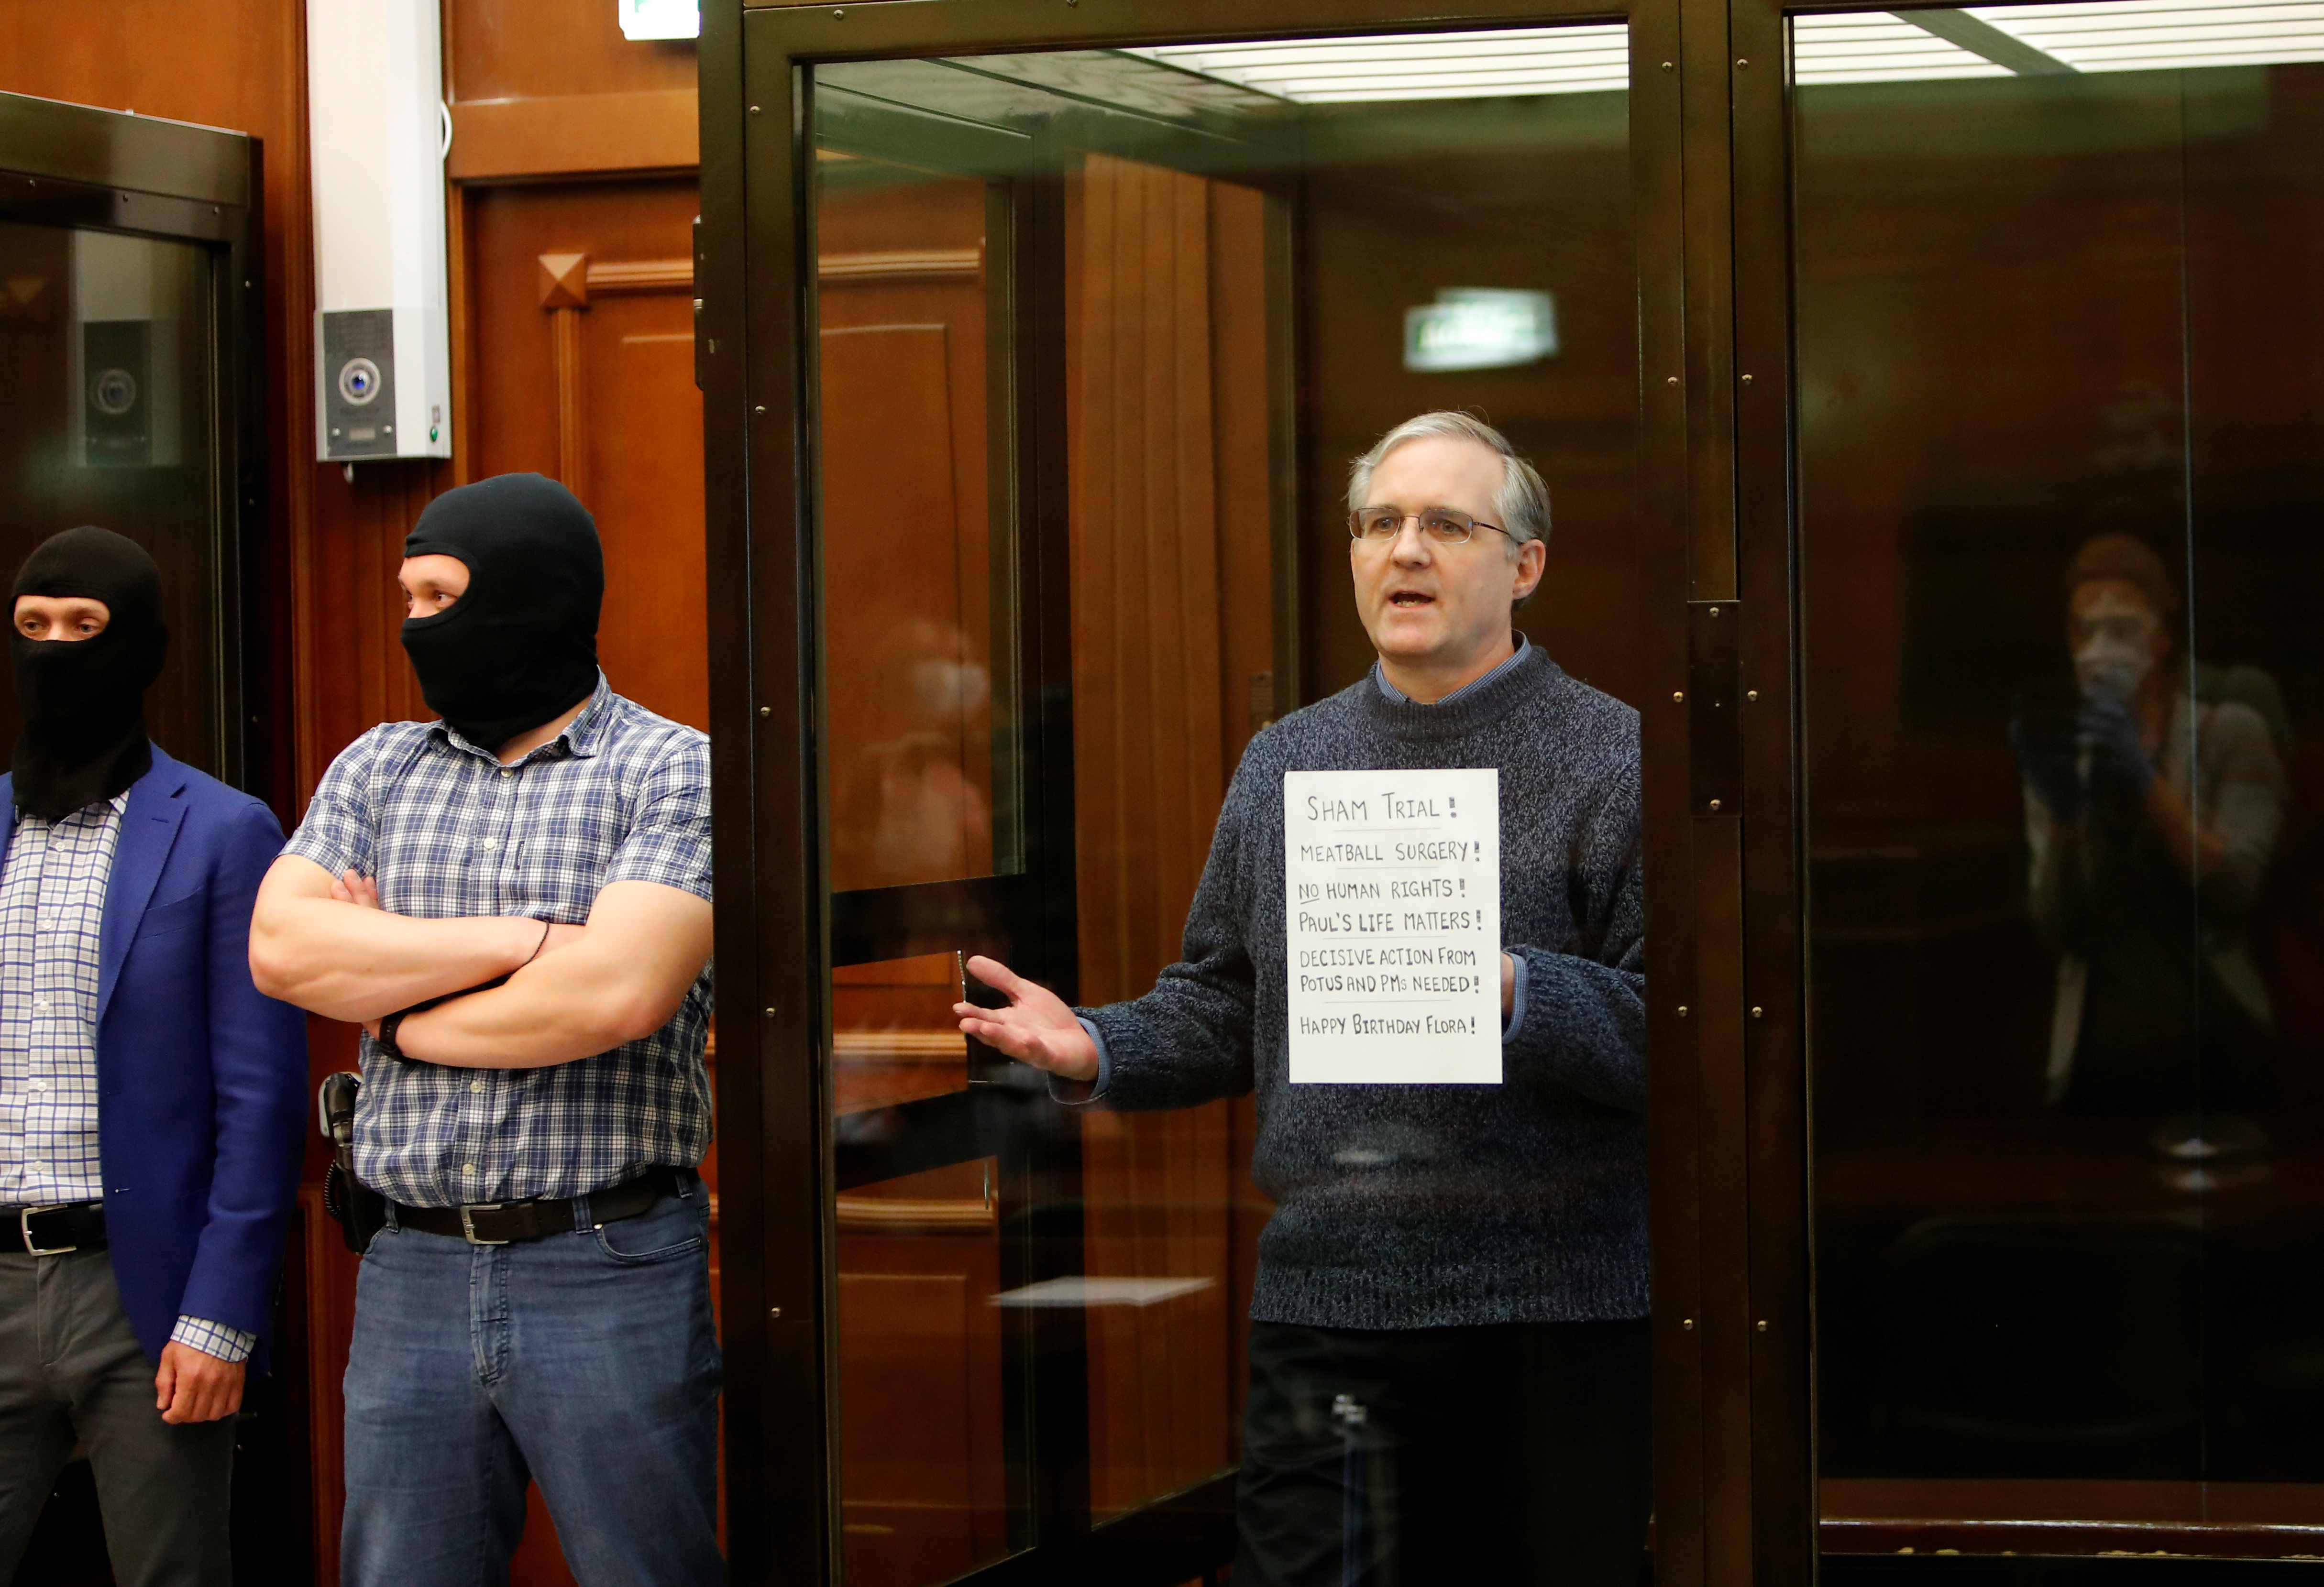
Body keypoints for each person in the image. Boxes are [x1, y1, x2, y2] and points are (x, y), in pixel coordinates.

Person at [957, 412, 1650, 1585]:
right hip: (1333, 1294)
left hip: (1554, 1308)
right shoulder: (1289, 760)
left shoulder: (1619, 757)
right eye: (1381, 523)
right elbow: (1225, 1005)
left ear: (1526, 564)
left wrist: (1512, 989)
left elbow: (1677, 1036)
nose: (1406, 551)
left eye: (1446, 524)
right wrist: (1094, 1046)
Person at [246, 474, 719, 1587]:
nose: (416, 625)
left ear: (528, 594)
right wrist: (524, 937)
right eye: (408, 597)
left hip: (607, 1259)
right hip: (409, 1261)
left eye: (439, 594)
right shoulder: (375, 766)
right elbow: (283, 951)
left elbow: (616, 995)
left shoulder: (675, 767)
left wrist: (395, 1011)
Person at [0, 526, 308, 1587]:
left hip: (146, 1300)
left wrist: (221, 1317)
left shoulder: (225, 831)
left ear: (141, 648)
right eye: (32, 628)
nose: (54, 649)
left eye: (83, 628)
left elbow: (259, 1101)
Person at [2012, 529, 2287, 1117]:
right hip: (2101, 1048)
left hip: (2212, 1038)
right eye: (2083, 630)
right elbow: (2060, 926)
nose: (2098, 648)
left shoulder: (2227, 732)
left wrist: (2145, 780)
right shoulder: (2066, 749)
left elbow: (2235, 890)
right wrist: (2062, 816)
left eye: (2120, 629)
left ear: (2160, 637)